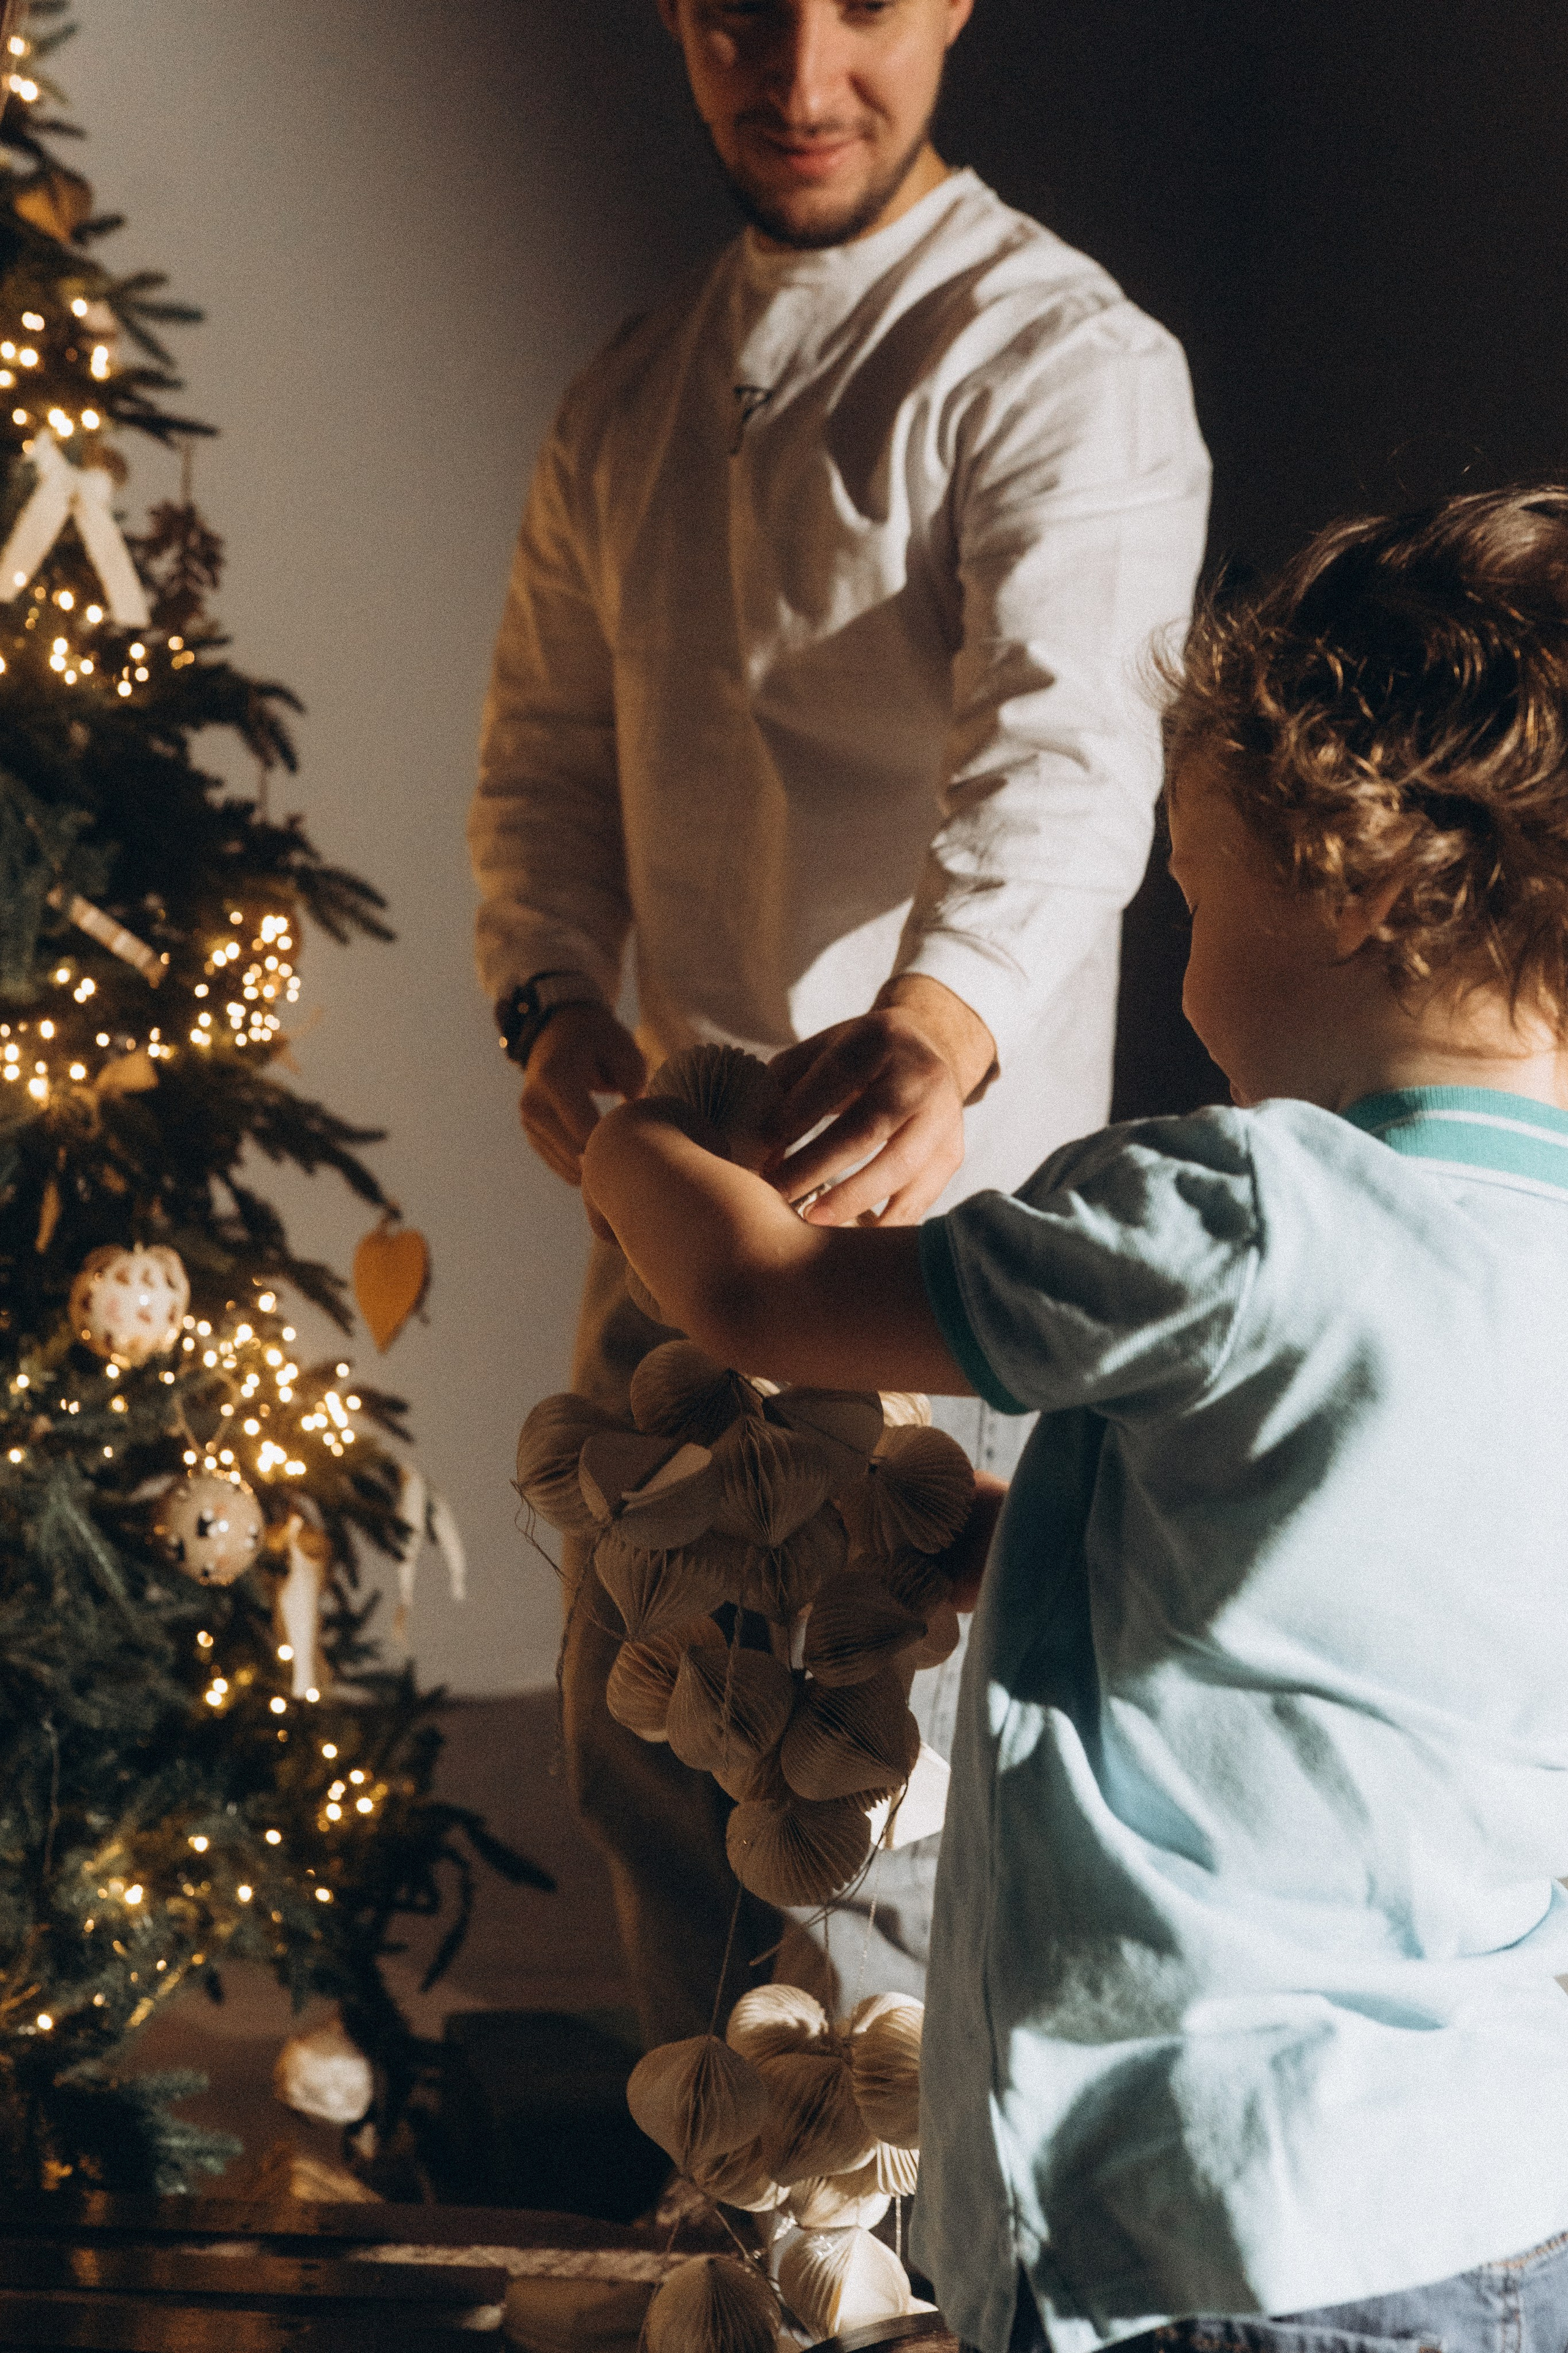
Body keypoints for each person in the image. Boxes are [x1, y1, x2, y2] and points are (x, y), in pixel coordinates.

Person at [579, 486, 1568, 2353]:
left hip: (1199, 2213)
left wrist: (630, 1138)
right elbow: (1332, 1580)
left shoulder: (1244, 1205)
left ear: (1351, 883)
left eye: (1192, 901)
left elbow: (761, 1295)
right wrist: (1031, 1543)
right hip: (1498, 2208)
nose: (1184, 978)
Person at [471, 0, 1208, 2039]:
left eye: (862, 6)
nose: (795, 79)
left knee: (898, 1811)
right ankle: (721, 2267)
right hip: (665, 1226)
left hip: (940, 1236)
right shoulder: (626, 395)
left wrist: (941, 1019)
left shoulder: (1064, 362)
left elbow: (1067, 751)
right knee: (649, 1764)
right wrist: (549, 996)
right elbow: (541, 752)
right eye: (733, 13)